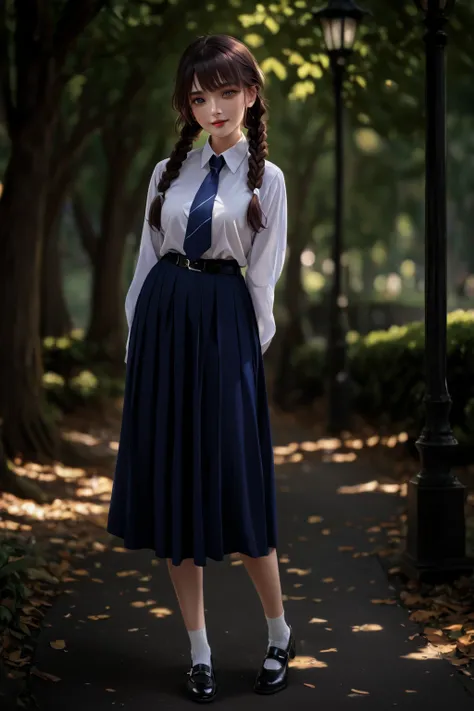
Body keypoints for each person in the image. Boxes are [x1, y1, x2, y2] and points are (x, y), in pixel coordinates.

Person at [106, 33, 293, 703]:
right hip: (164, 324)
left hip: (224, 328)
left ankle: (278, 632)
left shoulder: (265, 179)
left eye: (224, 93)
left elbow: (264, 281)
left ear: (250, 94)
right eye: (198, 96)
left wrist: (243, 357)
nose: (213, 107)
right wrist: (139, 345)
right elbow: (144, 261)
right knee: (178, 496)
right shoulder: (166, 171)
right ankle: (199, 650)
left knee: (236, 485)